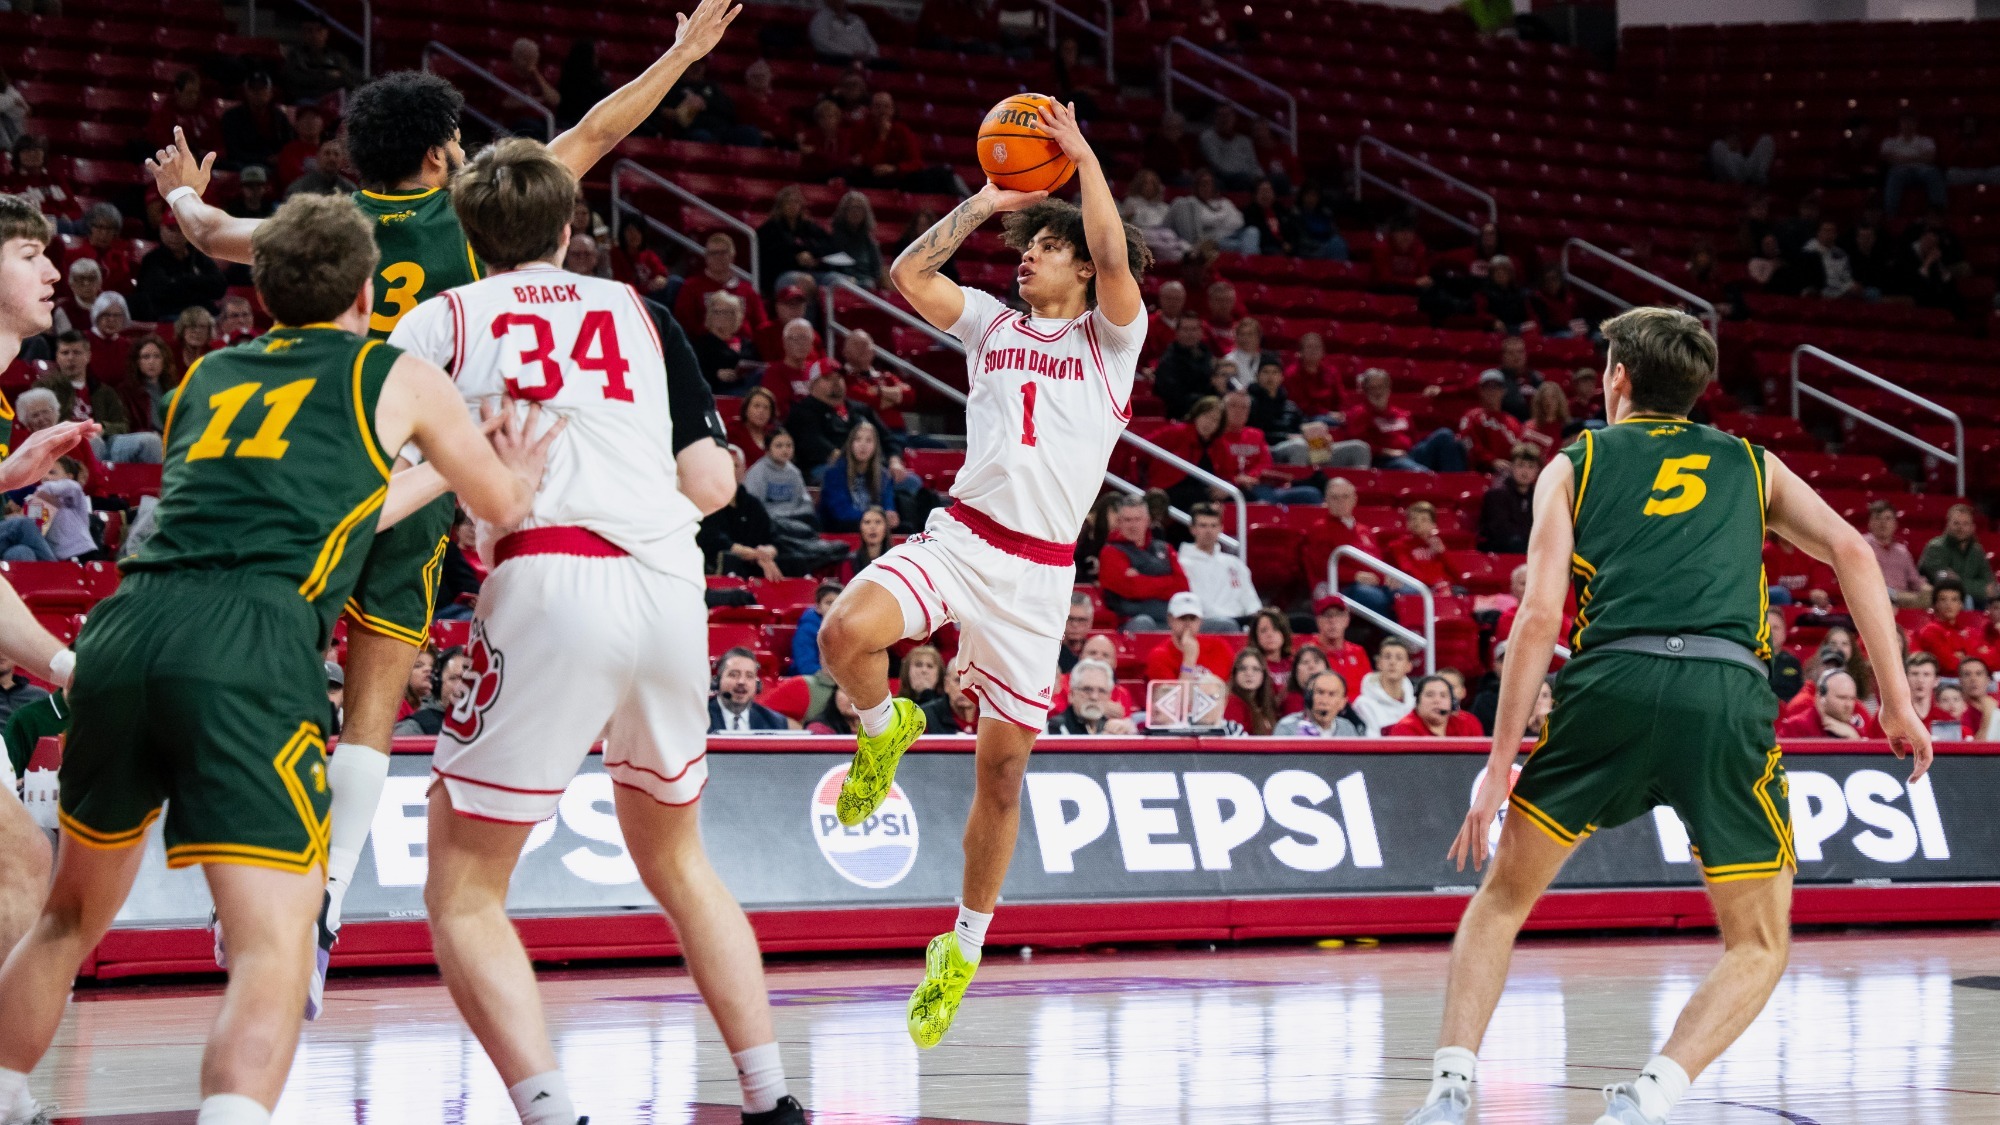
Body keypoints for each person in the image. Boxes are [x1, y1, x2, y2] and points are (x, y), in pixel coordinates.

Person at [149, 0, 744, 1028]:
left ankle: (259, 871)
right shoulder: (478, 217)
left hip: (319, 460)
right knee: (373, 709)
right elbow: (596, 132)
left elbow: (209, 235)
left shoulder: (319, 230)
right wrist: (682, 53)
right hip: (426, 472)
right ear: (441, 158)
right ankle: (329, 898)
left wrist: (182, 196)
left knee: (283, 679)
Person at [0, 191, 549, 1125]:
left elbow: (333, 505)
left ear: (261, 294)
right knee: (276, 940)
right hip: (247, 643)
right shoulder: (395, 371)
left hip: (127, 630)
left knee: (65, 915)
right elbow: (498, 501)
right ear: (367, 293)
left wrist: (425, 476)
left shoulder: (208, 377)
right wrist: (513, 474)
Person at [1406, 307, 1932, 1125]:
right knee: (1759, 942)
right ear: (1695, 388)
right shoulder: (1752, 462)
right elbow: (1855, 552)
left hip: (1610, 685)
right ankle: (1647, 1099)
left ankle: (1447, 1089)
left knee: (1502, 899)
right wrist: (1895, 700)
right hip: (1723, 692)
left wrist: (1497, 764)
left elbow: (1538, 617)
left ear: (1617, 377)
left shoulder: (1574, 462)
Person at [385, 137, 804, 1125]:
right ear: (570, 227)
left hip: (548, 573)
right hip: (668, 585)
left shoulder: (440, 318)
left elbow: (373, 480)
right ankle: (773, 1098)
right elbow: (712, 483)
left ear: (468, 231)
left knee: (462, 888)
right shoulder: (641, 312)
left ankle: (550, 1111)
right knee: (680, 862)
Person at [815, 99, 1149, 1048]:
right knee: (844, 632)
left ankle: (961, 946)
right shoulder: (992, 326)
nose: (1025, 257)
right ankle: (882, 728)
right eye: (1025, 246)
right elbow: (909, 273)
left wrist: (1084, 160)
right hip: (962, 537)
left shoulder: (1112, 342)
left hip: (1037, 579)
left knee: (1000, 776)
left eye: (1043, 246)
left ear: (1079, 266)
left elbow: (1115, 256)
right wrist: (989, 199)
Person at [1343, 367, 1466, 472]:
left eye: (1381, 387)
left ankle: (1455, 483)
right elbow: (1359, 446)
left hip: (1410, 454)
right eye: (1372, 388)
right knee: (1418, 472)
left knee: (1445, 434)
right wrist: (1387, 451)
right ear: (1365, 391)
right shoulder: (1359, 413)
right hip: (1386, 460)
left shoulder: (1402, 414)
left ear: (1389, 388)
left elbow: (1414, 441)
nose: (1378, 392)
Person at [1098, 493, 1189, 627]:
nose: (1133, 525)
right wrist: (1168, 580)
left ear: (1147, 521)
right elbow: (1132, 588)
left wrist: (1141, 579)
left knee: (1219, 625)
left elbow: (1182, 586)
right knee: (1144, 622)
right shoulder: (1110, 552)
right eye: (1128, 520)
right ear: (1119, 522)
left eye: (1137, 519)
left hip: (1172, 620)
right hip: (1130, 621)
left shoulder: (1165, 548)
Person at [1178, 503, 1260, 622]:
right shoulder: (1183, 564)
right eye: (1203, 525)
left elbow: (1250, 599)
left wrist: (1257, 618)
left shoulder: (1235, 563)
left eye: (1213, 525)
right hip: (1206, 622)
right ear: (1192, 529)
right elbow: (1197, 603)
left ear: (1221, 528)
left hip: (1240, 621)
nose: (1209, 531)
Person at [819, 421, 897, 533]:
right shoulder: (834, 473)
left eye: (869, 440)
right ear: (850, 444)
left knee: (905, 528)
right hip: (842, 527)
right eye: (858, 439)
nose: (863, 445)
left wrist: (890, 514)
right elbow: (841, 512)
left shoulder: (884, 476)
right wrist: (875, 518)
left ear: (876, 446)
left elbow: (888, 505)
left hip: (874, 526)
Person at [1142, 592, 1235, 682]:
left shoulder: (1219, 646)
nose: (1188, 624)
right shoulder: (1159, 656)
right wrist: (1189, 659)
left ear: (1200, 621)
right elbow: (1174, 693)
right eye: (1182, 618)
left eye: (1192, 618)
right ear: (1170, 620)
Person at [1918, 502, 1995, 604]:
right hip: (1940, 601)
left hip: (1977, 600)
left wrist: (1959, 581)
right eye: (1956, 523)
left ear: (1972, 527)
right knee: (1966, 599)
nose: (1960, 528)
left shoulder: (1977, 550)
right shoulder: (1936, 547)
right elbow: (1946, 584)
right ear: (1948, 525)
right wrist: (1981, 588)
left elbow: (1990, 584)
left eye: (1965, 524)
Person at [1166, 168, 1254, 255]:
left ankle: (1250, 260)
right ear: (1197, 186)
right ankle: (1250, 261)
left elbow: (1239, 222)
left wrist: (1217, 221)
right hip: (1214, 241)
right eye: (1203, 184)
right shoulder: (1192, 203)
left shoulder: (1225, 202)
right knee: (1241, 245)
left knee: (1252, 231)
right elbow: (1205, 220)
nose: (1206, 187)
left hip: (1235, 234)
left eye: (1209, 184)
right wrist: (1224, 215)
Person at [742, 428, 815, 532]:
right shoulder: (758, 472)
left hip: (794, 518)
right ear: (767, 449)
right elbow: (754, 506)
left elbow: (805, 501)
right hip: (770, 520)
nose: (785, 450)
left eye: (789, 445)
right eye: (779, 446)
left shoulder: (794, 472)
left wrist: (796, 513)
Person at [1862, 500, 1930, 608]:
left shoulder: (1902, 551)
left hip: (1903, 601)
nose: (1883, 523)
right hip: (1872, 598)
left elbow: (1915, 580)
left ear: (1895, 524)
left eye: (1888, 518)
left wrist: (1927, 589)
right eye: (1878, 518)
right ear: (1870, 523)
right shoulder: (1862, 545)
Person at [710, 647, 793, 733]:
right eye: (733, 675)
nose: (741, 681)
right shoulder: (702, 717)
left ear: (757, 685)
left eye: (749, 676)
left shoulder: (775, 722)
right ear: (717, 681)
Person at [1046, 658, 1136, 735]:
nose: (1094, 697)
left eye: (1101, 691)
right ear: (1072, 695)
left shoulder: (1117, 729)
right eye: (1087, 689)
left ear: (1109, 696)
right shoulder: (1051, 728)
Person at [1477, 445, 1540, 554]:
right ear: (1512, 467)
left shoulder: (1538, 495)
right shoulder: (1497, 493)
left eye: (1531, 467)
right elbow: (1500, 530)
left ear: (1537, 471)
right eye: (1520, 465)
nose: (1525, 471)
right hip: (1499, 549)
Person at [1459, 371, 1524, 477]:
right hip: (1478, 474)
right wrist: (1492, 461)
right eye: (1487, 387)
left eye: (1496, 387)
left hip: (1509, 475)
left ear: (1503, 391)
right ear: (1481, 391)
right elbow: (1468, 443)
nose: (1492, 391)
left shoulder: (1513, 422)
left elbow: (1520, 449)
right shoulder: (1471, 416)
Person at [1881, 113, 1946, 217]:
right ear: (1900, 124)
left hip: (1923, 170)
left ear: (1916, 124)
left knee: (1933, 173)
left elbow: (1930, 158)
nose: (1908, 125)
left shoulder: (1926, 141)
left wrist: (1902, 158)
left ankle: (1937, 213)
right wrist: (1918, 157)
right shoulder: (1890, 142)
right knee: (1894, 175)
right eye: (1905, 122)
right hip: (1900, 171)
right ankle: (1891, 215)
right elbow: (1888, 159)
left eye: (1911, 122)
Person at [1353, 636, 1417, 735]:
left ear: (1409, 666)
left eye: (1399, 658)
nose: (1392, 662)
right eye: (1387, 657)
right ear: (1378, 663)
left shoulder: (1415, 705)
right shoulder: (1363, 704)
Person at [1385, 675, 1483, 737]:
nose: (1437, 700)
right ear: (1417, 701)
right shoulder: (1404, 729)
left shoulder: (1469, 723)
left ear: (1451, 703)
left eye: (1443, 695)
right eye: (1430, 695)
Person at [1913, 578, 1974, 675]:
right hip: (1942, 680)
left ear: (1961, 605)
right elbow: (1948, 665)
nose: (1948, 604)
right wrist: (1966, 659)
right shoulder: (1930, 631)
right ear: (1935, 604)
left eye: (1954, 599)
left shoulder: (1968, 631)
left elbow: (1981, 661)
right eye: (1943, 599)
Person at [1272, 671, 1362, 737]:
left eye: (1332, 694)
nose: (1324, 701)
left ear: (1342, 703)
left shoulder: (1347, 728)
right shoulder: (1288, 727)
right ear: (1308, 697)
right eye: (1320, 692)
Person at [1223, 647, 1280, 735]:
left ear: (1263, 675)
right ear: (1235, 673)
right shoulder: (1233, 703)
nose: (1249, 673)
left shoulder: (1267, 704)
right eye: (1243, 668)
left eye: (1255, 669)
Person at [810, 0, 879, 62]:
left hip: (868, 59)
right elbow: (823, 44)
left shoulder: (856, 19)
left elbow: (870, 41)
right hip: (841, 60)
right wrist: (851, 54)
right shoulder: (820, 20)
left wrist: (871, 54)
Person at [842, 505, 892, 580]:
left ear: (886, 528)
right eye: (867, 522)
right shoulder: (851, 561)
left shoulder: (896, 561)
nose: (872, 527)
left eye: (878, 522)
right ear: (860, 528)